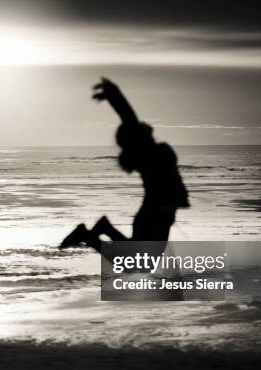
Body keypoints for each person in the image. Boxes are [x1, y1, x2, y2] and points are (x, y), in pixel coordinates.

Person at [59, 78, 189, 254]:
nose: (144, 128)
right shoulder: (148, 153)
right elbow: (128, 117)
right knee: (138, 263)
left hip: (156, 215)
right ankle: (92, 233)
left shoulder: (151, 153)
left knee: (136, 260)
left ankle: (99, 230)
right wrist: (114, 94)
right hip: (155, 215)